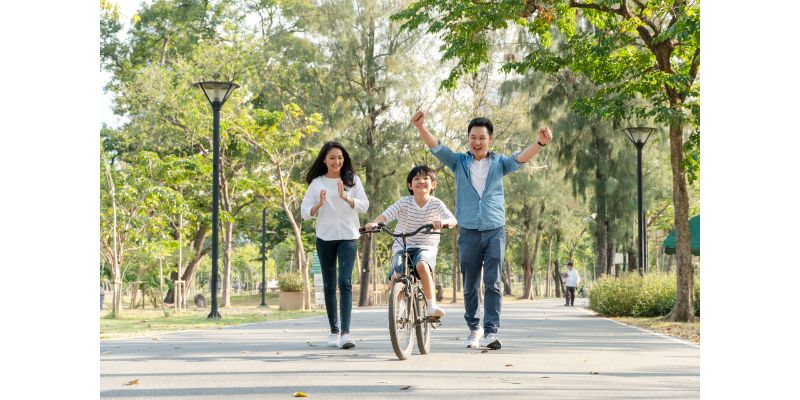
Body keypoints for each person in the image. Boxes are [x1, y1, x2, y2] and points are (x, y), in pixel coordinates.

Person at [411, 111, 553, 350]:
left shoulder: (500, 164)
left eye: (482, 138)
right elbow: (437, 147)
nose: (477, 142)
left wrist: (539, 142)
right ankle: (474, 327)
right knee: (470, 284)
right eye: (473, 137)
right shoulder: (459, 162)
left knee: (493, 283)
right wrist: (421, 128)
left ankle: (491, 331)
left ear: (490, 140)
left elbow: (522, 157)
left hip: (494, 230)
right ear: (468, 139)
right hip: (468, 231)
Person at [365, 165, 458, 320]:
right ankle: (399, 307)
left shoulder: (436, 204)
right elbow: (385, 216)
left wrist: (442, 222)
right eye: (416, 178)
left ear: (433, 184)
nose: (421, 181)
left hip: (426, 246)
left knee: (421, 265)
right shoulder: (404, 203)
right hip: (403, 244)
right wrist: (375, 224)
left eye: (426, 178)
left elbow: (453, 220)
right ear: (410, 185)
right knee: (396, 274)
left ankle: (431, 305)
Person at [301, 141, 369, 349]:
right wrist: (318, 205)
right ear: (324, 160)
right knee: (329, 285)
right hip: (325, 237)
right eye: (332, 158)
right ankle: (334, 331)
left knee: (345, 282)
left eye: (340, 157)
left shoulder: (352, 180)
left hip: (348, 235)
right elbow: (304, 213)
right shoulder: (317, 183)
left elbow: (364, 206)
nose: (336, 161)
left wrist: (346, 197)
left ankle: (346, 333)